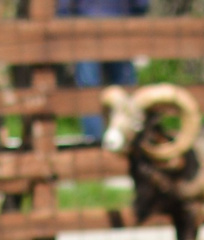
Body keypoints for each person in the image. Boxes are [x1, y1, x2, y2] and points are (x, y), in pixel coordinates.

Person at [62, 0, 146, 142]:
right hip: (120, 25)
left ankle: (94, 142)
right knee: (125, 89)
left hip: (85, 27)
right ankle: (127, 140)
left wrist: (64, 22)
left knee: (89, 91)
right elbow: (141, 5)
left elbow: (63, 6)